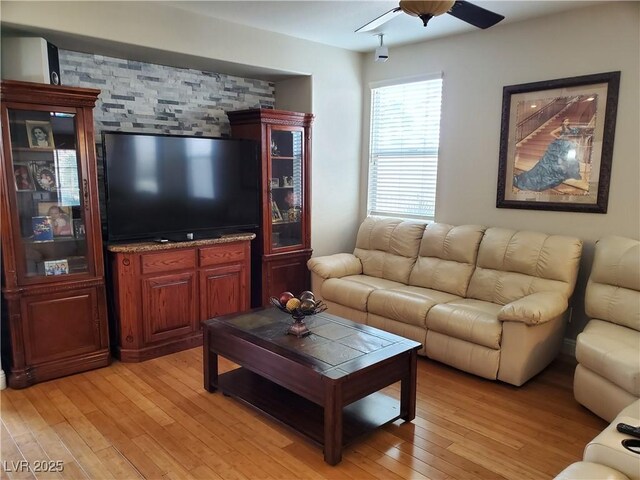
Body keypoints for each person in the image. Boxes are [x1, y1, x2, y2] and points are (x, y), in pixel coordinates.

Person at [513, 118, 584, 192]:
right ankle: (554, 172)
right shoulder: (560, 128)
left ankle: (563, 171)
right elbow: (551, 133)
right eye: (565, 121)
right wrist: (558, 137)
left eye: (568, 121)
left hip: (567, 145)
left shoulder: (569, 128)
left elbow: (573, 133)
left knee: (566, 159)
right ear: (563, 122)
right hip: (560, 144)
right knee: (554, 159)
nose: (567, 122)